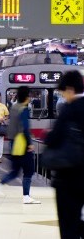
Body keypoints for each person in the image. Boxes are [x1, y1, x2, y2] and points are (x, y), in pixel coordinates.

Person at [45, 70, 84, 238]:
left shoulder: (69, 110)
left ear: (69, 89)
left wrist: (47, 135)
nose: (62, 96)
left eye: (62, 92)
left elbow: (53, 139)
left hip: (68, 178)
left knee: (68, 224)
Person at [0, 86, 41, 204]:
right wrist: (29, 144)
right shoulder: (23, 109)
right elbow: (24, 127)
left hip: (14, 143)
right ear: (27, 96)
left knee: (15, 171)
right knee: (29, 171)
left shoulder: (13, 107)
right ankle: (26, 196)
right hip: (22, 144)